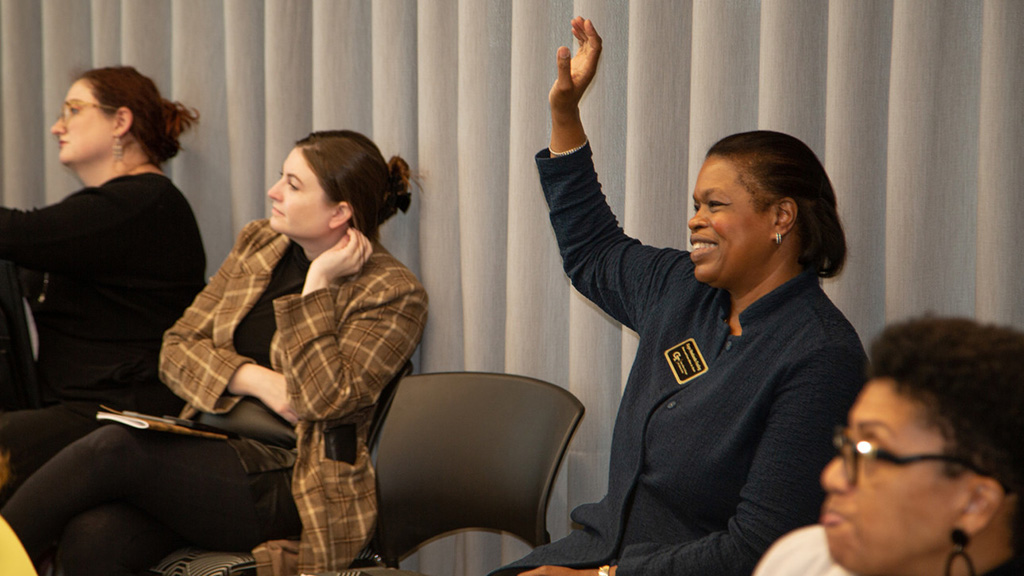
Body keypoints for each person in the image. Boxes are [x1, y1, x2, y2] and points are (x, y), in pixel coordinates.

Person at [492, 17, 866, 576]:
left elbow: (757, 548)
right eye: (696, 204)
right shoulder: (681, 290)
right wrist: (565, 116)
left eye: (715, 205)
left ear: (780, 218)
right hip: (594, 554)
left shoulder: (820, 355)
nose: (694, 221)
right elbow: (592, 250)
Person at [0, 130, 429, 575]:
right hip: (208, 445)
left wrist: (316, 287)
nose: (273, 191)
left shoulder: (393, 292)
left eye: (294, 185)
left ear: (340, 212)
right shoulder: (261, 243)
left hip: (297, 478)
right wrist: (258, 380)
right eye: (281, 176)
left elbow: (321, 400)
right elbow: (177, 349)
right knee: (93, 537)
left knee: (116, 447)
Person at [0, 66, 206, 504]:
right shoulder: (107, 207)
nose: (58, 126)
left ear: (120, 121)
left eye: (73, 110)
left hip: (119, 414)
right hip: (73, 407)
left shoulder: (145, 202)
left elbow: (18, 233)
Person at [754, 316, 1024, 576]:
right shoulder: (804, 559)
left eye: (871, 454)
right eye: (847, 445)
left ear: (974, 504)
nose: (832, 478)